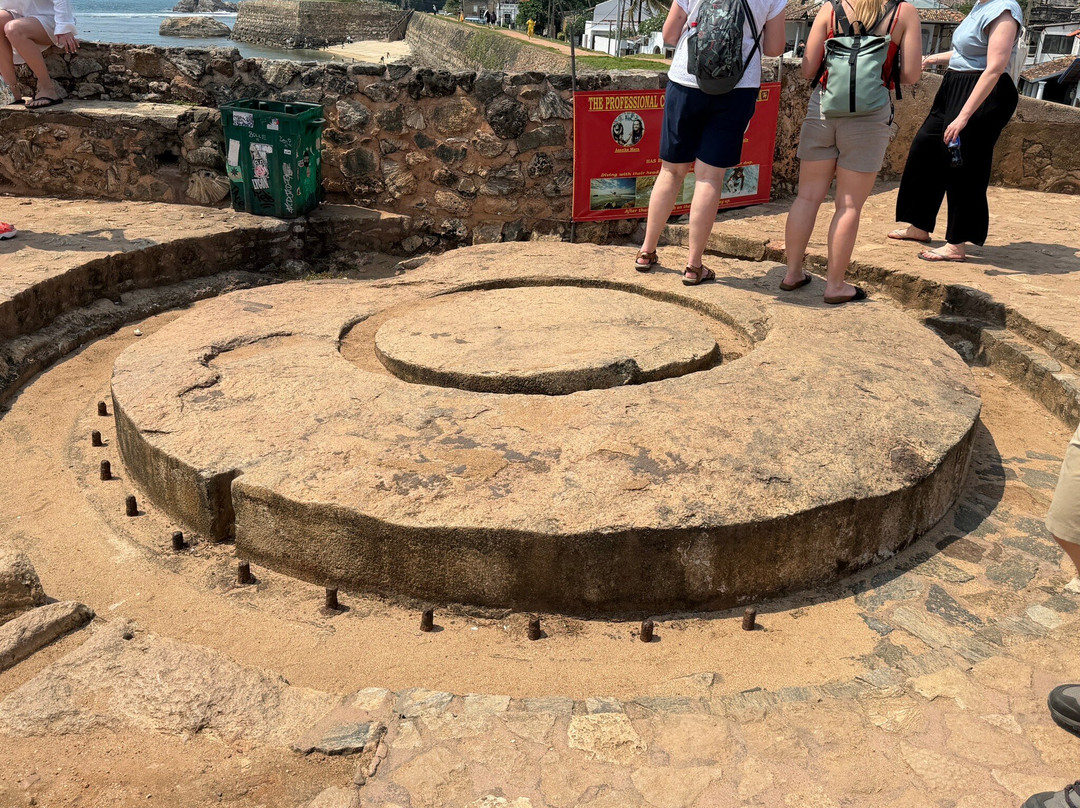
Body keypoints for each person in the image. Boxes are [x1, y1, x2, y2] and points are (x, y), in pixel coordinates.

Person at [633, 0, 787, 284]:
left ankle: (646, 251)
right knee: (709, 177)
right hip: (737, 88)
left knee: (670, 171)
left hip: (685, 82)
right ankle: (693, 267)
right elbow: (775, 48)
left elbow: (669, 34)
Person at [780, 0, 921, 303]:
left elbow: (807, 69)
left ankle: (792, 273)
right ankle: (835, 285)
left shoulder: (830, 9)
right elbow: (911, 74)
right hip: (869, 116)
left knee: (807, 197)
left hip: (824, 107)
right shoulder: (903, 12)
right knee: (848, 205)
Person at [888, 0, 1022, 261]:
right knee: (926, 149)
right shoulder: (979, 7)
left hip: (983, 92)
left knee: (963, 165)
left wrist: (964, 115)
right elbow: (966, 52)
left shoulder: (1004, 10)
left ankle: (956, 243)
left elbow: (995, 67)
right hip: (954, 85)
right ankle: (919, 225)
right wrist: (932, 59)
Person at [0, 0, 77, 109]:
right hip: (21, 17)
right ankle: (10, 92)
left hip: (51, 19)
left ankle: (47, 89)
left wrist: (64, 27)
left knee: (13, 28)